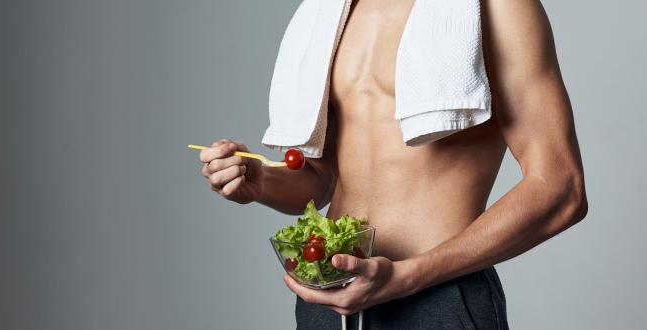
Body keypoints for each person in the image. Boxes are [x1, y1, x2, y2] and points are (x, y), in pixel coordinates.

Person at [197, 0, 587, 328]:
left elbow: (560, 187)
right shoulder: (330, 15)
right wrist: (260, 180)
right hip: (327, 296)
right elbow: (318, 181)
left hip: (436, 297)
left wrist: (408, 276)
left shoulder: (496, 7)